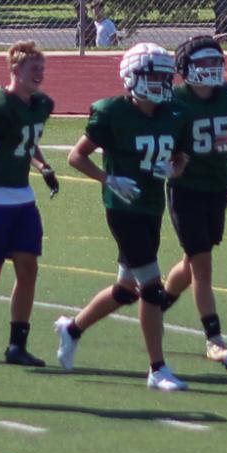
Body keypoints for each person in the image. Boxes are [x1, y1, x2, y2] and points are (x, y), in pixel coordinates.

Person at [54, 42, 191, 391]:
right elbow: (76, 156)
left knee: (125, 290)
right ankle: (157, 369)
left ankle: (72, 329)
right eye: (155, 75)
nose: (163, 82)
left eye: (165, 75)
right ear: (132, 77)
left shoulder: (173, 112)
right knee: (152, 289)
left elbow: (181, 159)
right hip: (123, 209)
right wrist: (107, 178)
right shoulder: (112, 111)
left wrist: (173, 171)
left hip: (151, 206)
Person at [0, 40, 62, 366]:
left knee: (28, 269)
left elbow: (27, 141)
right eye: (32, 68)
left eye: (42, 68)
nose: (39, 73)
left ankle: (16, 345)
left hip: (23, 199)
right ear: (14, 69)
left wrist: (42, 165)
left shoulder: (41, 104)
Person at [163, 35, 227, 363]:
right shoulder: (174, 99)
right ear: (185, 67)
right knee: (202, 264)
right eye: (204, 62)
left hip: (219, 186)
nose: (212, 68)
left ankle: (158, 303)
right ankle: (213, 337)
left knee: (192, 261)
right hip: (185, 188)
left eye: (216, 61)